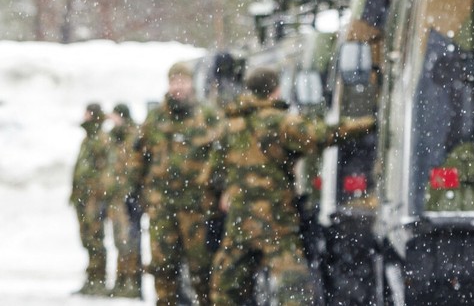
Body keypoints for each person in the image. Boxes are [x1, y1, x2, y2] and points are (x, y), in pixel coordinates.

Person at [207, 67, 375, 306]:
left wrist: (229, 192)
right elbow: (323, 134)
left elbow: (213, 175)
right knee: (294, 290)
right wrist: (369, 123)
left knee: (224, 290)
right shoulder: (281, 123)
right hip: (277, 221)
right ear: (275, 90)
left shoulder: (229, 126)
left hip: (240, 222)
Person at [133, 61, 223, 306]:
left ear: (192, 83)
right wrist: (138, 193)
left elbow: (223, 157)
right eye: (174, 81)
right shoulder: (155, 119)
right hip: (162, 207)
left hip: (196, 207)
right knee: (163, 268)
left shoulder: (208, 117)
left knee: (202, 268)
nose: (177, 87)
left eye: (182, 81)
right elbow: (138, 158)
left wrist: (217, 191)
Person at [71, 102, 110, 296]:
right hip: (83, 199)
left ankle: (98, 280)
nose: (83, 116)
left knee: (95, 239)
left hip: (94, 200)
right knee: (87, 239)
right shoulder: (88, 139)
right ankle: (92, 278)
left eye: (87, 113)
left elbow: (106, 171)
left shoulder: (100, 139)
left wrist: (97, 195)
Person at [106, 103, 144, 298]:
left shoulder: (134, 136)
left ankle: (133, 283)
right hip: (117, 197)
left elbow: (135, 166)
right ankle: (122, 281)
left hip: (130, 197)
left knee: (131, 240)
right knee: (120, 240)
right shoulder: (116, 137)